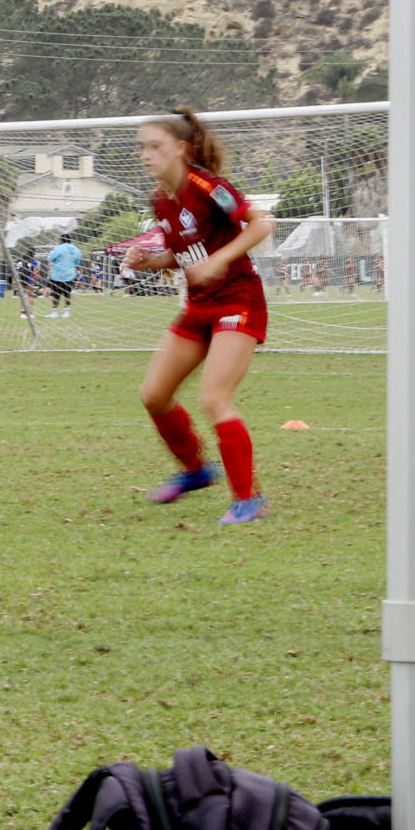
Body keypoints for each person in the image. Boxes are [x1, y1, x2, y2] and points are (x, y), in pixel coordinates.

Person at [129, 109, 276, 525]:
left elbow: (261, 224)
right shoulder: (161, 199)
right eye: (141, 147)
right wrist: (152, 261)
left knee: (214, 397)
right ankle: (195, 470)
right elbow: (187, 254)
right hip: (198, 306)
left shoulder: (207, 186)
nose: (145, 155)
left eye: (154, 146)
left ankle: (250, 499)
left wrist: (220, 260)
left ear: (181, 149)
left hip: (238, 300)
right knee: (154, 395)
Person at [44, 232, 83, 315]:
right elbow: (78, 261)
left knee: (56, 295)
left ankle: (54, 313)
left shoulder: (59, 248)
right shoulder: (76, 249)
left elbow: (50, 258)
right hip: (70, 275)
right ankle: (66, 312)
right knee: (67, 294)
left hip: (57, 275)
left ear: (61, 240)